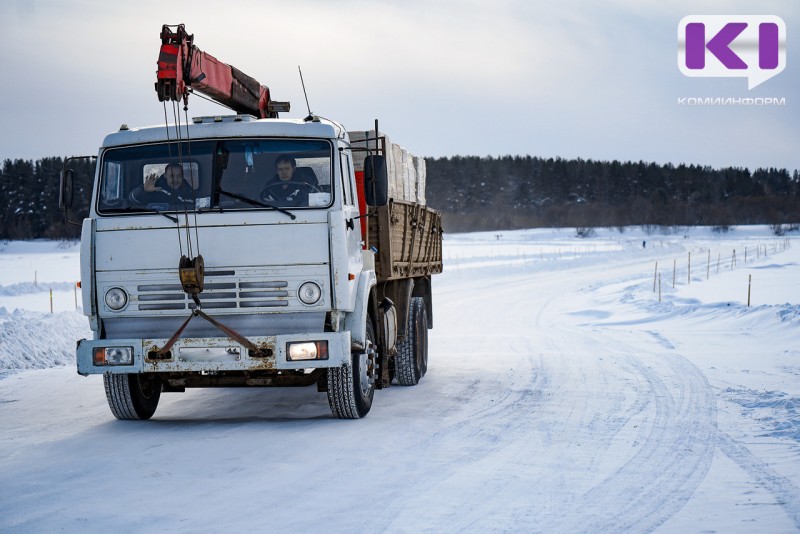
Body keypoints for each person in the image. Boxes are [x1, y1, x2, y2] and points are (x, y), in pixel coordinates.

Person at [130, 163, 194, 206]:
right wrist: (143, 190)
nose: (175, 180)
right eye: (172, 176)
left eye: (179, 176)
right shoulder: (154, 189)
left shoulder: (189, 192)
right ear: (165, 176)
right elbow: (133, 199)